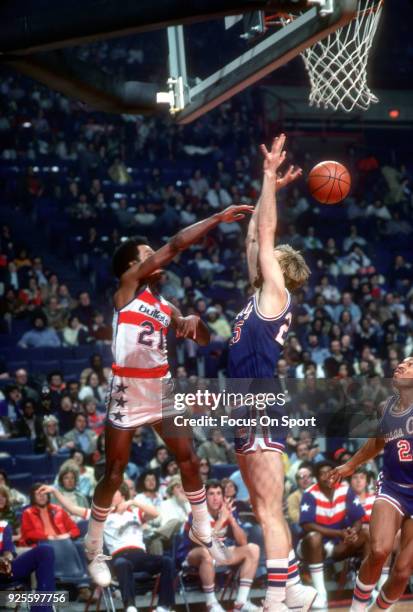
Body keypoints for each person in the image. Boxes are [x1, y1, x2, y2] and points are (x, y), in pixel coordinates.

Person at [84, 204, 254, 586]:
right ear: (132, 267)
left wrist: (196, 323)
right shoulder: (127, 289)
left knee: (189, 458)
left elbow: (208, 340)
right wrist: (215, 219)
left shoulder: (166, 306)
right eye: (147, 256)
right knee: (114, 472)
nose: (155, 259)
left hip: (160, 387)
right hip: (127, 387)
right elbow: (175, 245)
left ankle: (201, 528)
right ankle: (94, 546)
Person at [227, 135, 314, 611]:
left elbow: (264, 235)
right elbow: (252, 236)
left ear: (281, 270)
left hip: (260, 400)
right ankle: (295, 585)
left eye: (272, 254)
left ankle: (277, 599)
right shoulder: (258, 297)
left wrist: (268, 179)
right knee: (264, 505)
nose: (265, 251)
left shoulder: (276, 294)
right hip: (246, 401)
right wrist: (271, 190)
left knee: (267, 508)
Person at [330, 356, 413, 611]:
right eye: (401, 362)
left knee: (401, 572)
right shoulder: (385, 407)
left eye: (410, 364)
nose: (401, 365)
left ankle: (378, 610)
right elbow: (377, 442)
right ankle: (357, 608)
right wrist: (350, 465)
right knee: (379, 551)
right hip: (392, 486)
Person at [39, 482, 175, 612]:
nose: (108, 496)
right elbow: (72, 509)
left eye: (113, 493)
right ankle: (130, 607)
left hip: (140, 555)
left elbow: (155, 514)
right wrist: (55, 491)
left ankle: (163, 607)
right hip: (119, 556)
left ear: (122, 494)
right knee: (122, 563)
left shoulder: (134, 513)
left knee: (167, 561)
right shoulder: (102, 514)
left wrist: (133, 502)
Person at [179, 480, 260, 612]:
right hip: (192, 555)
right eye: (211, 494)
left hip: (217, 554)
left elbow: (243, 542)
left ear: (223, 496)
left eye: (218, 493)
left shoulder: (226, 512)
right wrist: (222, 520)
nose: (215, 498)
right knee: (206, 553)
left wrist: (231, 520)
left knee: (252, 549)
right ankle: (211, 603)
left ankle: (241, 602)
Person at [298, 461, 369, 609]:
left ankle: (367, 590)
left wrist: (353, 532)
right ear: (317, 477)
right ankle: (320, 593)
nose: (327, 476)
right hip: (312, 547)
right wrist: (339, 533)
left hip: (338, 544)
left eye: (330, 472)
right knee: (314, 537)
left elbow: (358, 519)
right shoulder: (309, 493)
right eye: (322, 473)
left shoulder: (345, 489)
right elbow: (306, 525)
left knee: (366, 534)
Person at [0, 520, 56, 612]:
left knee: (45, 550)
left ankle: (41, 608)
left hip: (4, 570)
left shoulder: (3, 525)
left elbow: (8, 552)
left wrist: (7, 559)